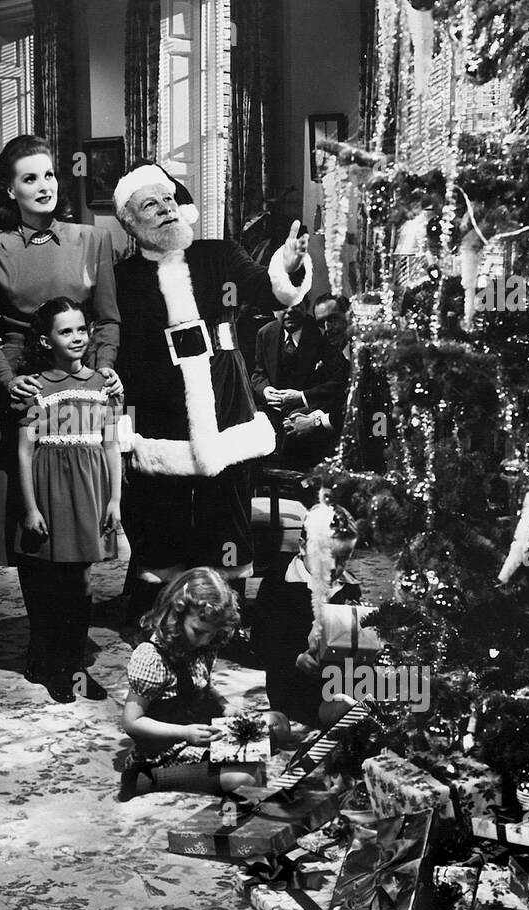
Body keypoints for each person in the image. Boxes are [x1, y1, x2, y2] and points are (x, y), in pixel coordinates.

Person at [111, 164, 313, 613]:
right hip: (160, 411)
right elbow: (118, 355)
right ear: (130, 222)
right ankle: (164, 616)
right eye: (151, 205)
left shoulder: (217, 255)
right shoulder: (124, 279)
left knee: (228, 516)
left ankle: (226, 615)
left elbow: (267, 290)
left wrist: (289, 266)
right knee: (163, 517)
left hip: (225, 405)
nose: (165, 210)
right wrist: (123, 430)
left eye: (168, 201)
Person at [0, 135, 122, 678]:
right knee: (31, 531)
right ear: (9, 189)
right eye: (29, 178)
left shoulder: (92, 240)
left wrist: (103, 368)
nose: (44, 186)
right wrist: (10, 382)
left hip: (80, 390)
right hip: (24, 393)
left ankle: (72, 649)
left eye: (50, 175)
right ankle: (42, 643)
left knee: (81, 521)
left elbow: (106, 318)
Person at [15, 297, 122, 703]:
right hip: (50, 490)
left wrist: (114, 500)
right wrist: (30, 507)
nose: (76, 338)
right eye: (65, 331)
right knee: (52, 584)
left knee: (81, 582)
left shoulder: (104, 384)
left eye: (81, 329)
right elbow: (25, 452)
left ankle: (75, 666)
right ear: (46, 340)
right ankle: (50, 663)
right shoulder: (36, 388)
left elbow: (112, 446)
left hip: (90, 491)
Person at [118, 567, 290, 800]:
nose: (205, 640)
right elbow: (131, 722)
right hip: (164, 749)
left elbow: (199, 683)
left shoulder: (204, 643)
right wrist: (185, 733)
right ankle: (144, 779)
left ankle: (212, 759)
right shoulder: (152, 656)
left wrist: (224, 705)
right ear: (177, 612)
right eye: (199, 631)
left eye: (211, 633)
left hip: (198, 728)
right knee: (246, 776)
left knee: (277, 723)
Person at [253, 498, 359, 729]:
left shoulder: (349, 587)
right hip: (292, 684)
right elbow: (261, 641)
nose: (333, 567)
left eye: (342, 559)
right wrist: (295, 658)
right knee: (345, 711)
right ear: (303, 547)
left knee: (394, 689)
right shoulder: (278, 582)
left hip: (335, 677)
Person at [280, 293, 352, 470]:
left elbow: (361, 407)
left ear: (351, 316)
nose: (328, 328)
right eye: (322, 323)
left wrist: (315, 422)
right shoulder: (338, 352)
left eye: (333, 319)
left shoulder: (364, 353)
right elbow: (334, 393)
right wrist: (309, 415)